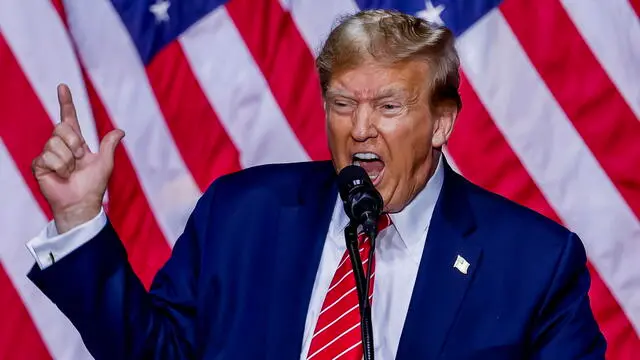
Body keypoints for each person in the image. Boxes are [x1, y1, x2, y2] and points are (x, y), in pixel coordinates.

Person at [27, 9, 605, 360]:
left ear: (441, 122)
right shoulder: (242, 215)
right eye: (343, 103)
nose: (359, 128)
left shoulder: (531, 264)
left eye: (388, 105)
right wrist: (80, 219)